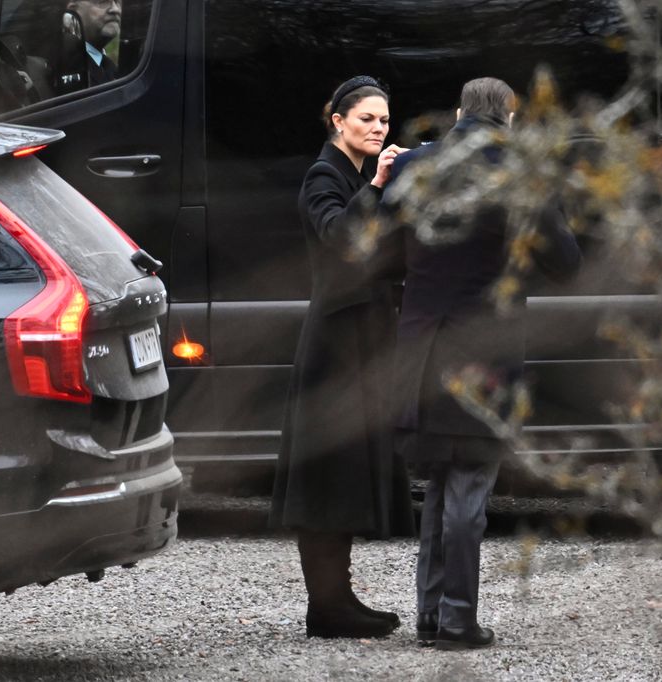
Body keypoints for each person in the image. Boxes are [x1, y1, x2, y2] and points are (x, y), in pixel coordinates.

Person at [384, 77, 582, 650]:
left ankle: (430, 615)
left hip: (421, 346)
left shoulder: (413, 165)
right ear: (511, 120)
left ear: (457, 115)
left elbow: (381, 246)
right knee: (469, 481)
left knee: (441, 482)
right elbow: (565, 263)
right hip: (484, 351)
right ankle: (456, 621)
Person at [269, 75, 415, 640]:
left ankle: (336, 599)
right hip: (335, 344)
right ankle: (326, 607)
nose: (379, 128)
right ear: (339, 122)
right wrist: (378, 184)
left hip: (363, 336)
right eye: (367, 119)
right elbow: (338, 238)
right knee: (328, 473)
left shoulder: (354, 174)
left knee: (348, 470)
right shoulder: (323, 175)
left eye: (384, 119)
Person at [56, 0, 121, 93]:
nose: (116, 9)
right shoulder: (66, 64)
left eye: (118, 2)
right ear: (73, 10)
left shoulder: (108, 65)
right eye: (103, 1)